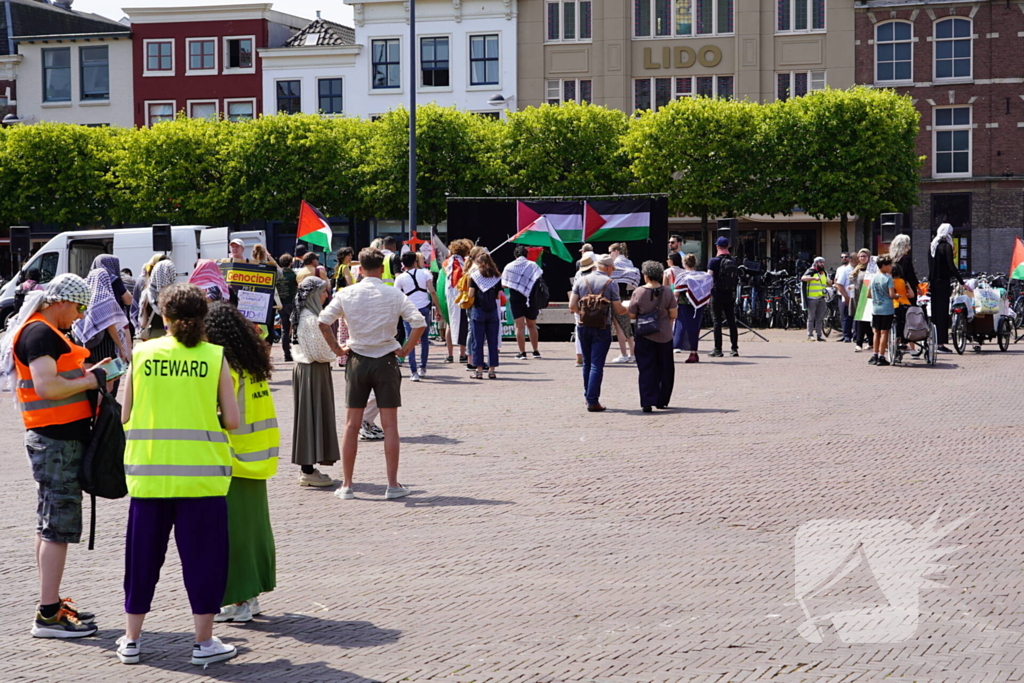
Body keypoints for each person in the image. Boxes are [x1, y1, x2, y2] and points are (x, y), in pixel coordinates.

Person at [118, 283, 240, 666]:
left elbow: (124, 415)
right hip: (201, 478)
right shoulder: (215, 357)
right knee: (205, 560)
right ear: (203, 317)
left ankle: (131, 640)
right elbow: (233, 421)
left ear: (163, 317)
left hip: (150, 475)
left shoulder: (142, 354)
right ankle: (203, 643)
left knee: (141, 561)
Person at [0, 274, 104, 639]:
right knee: (57, 527)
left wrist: (90, 374)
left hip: (53, 438)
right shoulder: (40, 333)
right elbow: (47, 385)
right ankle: (47, 614)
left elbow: (52, 380)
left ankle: (51, 602)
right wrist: (93, 381)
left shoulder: (40, 330)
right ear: (60, 302)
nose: (78, 315)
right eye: (77, 307)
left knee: (48, 523)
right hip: (56, 441)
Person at [317, 248, 426, 501]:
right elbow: (419, 322)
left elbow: (323, 322)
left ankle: (347, 485)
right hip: (386, 360)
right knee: (390, 426)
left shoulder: (347, 293)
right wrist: (406, 350)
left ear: (359, 269)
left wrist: (337, 349)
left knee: (351, 425)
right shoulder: (393, 293)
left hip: (357, 360)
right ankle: (392, 485)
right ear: (382, 267)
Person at [204, 302, 278, 625]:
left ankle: (237, 601)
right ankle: (252, 594)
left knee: (231, 534)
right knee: (253, 531)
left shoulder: (226, 367)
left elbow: (223, 415)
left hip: (233, 458)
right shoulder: (252, 363)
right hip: (258, 455)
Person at [290, 277, 339, 487]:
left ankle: (308, 468)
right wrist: (339, 351)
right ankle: (307, 470)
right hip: (313, 370)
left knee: (308, 418)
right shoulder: (310, 319)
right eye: (323, 292)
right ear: (312, 295)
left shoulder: (302, 315)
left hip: (307, 370)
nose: (326, 296)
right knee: (312, 418)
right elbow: (321, 352)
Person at [569, 254, 628, 413]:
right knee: (597, 364)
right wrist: (629, 308)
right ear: (608, 267)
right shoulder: (611, 284)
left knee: (587, 363)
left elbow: (572, 306)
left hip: (583, 326)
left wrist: (584, 314)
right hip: (602, 327)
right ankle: (592, 401)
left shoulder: (581, 280)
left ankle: (588, 396)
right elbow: (618, 309)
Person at [628, 261, 678, 412]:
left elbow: (631, 314)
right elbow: (674, 314)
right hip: (664, 334)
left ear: (646, 275)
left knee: (646, 368)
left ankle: (647, 401)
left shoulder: (639, 292)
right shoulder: (668, 291)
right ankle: (662, 400)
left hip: (644, 334)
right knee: (665, 368)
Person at [73, 264, 132, 385]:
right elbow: (110, 326)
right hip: (104, 343)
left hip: (87, 343)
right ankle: (105, 401)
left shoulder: (84, 298)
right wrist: (121, 347)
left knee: (89, 374)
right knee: (107, 377)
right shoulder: (106, 299)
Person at [395, 251, 439, 381]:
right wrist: (438, 309)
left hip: (409, 311)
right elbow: (432, 291)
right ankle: (423, 367)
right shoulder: (425, 273)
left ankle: (413, 371)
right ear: (415, 261)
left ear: (403, 264)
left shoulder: (400, 278)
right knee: (424, 340)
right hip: (424, 309)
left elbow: (397, 296)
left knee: (410, 340)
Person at [502, 245, 543, 359]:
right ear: (526, 254)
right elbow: (538, 277)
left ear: (515, 255)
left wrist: (515, 284)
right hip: (531, 298)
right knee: (532, 326)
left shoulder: (509, 266)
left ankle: (522, 353)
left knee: (519, 326)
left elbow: (504, 284)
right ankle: (535, 351)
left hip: (516, 298)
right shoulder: (533, 265)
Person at [928, 224, 964, 354]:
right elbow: (951, 266)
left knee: (935, 313)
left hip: (933, 283)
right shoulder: (946, 247)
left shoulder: (932, 246)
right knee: (943, 313)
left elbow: (930, 268)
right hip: (943, 283)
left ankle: (933, 339)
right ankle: (941, 343)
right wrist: (961, 281)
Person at [469, 252, 502, 380]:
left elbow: (471, 294)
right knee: (492, 342)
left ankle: (479, 371)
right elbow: (498, 296)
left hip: (478, 310)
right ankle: (492, 370)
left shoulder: (475, 276)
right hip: (492, 311)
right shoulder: (496, 276)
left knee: (477, 342)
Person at [673, 253, 712, 363]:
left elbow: (676, 293)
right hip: (698, 306)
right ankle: (694, 352)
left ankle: (675, 348)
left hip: (684, 305)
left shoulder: (682, 276)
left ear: (684, 263)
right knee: (695, 328)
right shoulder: (703, 276)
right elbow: (708, 287)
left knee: (681, 327)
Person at [707, 236, 739, 357]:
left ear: (717, 247)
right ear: (728, 247)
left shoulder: (713, 261)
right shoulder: (733, 260)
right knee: (732, 321)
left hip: (717, 294)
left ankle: (718, 349)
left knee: (717, 322)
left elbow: (708, 278)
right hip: (730, 294)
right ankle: (734, 348)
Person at [608, 243, 638, 364]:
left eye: (610, 252)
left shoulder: (615, 265)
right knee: (627, 326)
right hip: (627, 297)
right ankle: (632, 353)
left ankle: (624, 354)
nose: (609, 255)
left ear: (616, 251)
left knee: (619, 326)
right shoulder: (629, 263)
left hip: (617, 298)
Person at [444, 239, 472, 365]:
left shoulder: (446, 263)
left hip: (449, 296)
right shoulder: (466, 263)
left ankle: (450, 355)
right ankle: (462, 354)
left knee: (450, 323)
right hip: (462, 295)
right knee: (463, 325)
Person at [867, 254, 896, 366]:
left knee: (876, 332)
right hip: (887, 308)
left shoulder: (873, 277)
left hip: (875, 308)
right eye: (889, 265)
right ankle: (881, 356)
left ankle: (874, 354)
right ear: (884, 266)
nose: (891, 267)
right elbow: (891, 295)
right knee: (884, 333)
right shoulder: (888, 278)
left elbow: (869, 295)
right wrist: (897, 296)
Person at [139, 259, 177, 340]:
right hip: (172, 336)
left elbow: (143, 323)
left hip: (154, 336)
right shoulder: (176, 295)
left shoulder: (146, 293)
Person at [131, 254, 168, 334]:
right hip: (170, 335)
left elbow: (143, 323)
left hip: (154, 333)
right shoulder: (174, 291)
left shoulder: (147, 291)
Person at [801, 256, 832, 342]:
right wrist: (813, 278)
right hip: (812, 298)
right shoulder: (811, 271)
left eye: (823, 262)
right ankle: (810, 335)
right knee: (811, 318)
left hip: (822, 298)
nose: (822, 264)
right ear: (816, 263)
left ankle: (819, 335)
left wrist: (830, 283)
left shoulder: (824, 272)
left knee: (820, 318)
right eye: (820, 262)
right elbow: (803, 278)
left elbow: (828, 282)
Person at [275, 254, 298, 362]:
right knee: (297, 328)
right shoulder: (293, 275)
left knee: (285, 330)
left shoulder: (277, 274)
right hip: (292, 303)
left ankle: (286, 355)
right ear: (290, 263)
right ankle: (298, 352)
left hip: (281, 304)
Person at [850, 249, 873, 352]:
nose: (862, 258)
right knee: (863, 321)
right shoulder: (857, 269)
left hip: (868, 297)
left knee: (862, 321)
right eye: (860, 256)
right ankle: (869, 342)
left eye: (864, 256)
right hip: (858, 297)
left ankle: (859, 343)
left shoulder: (872, 269)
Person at [833, 253, 854, 343]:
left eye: (846, 257)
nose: (844, 258)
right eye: (842, 257)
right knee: (844, 316)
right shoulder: (841, 269)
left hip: (853, 296)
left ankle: (855, 335)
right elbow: (836, 281)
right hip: (842, 295)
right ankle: (846, 335)